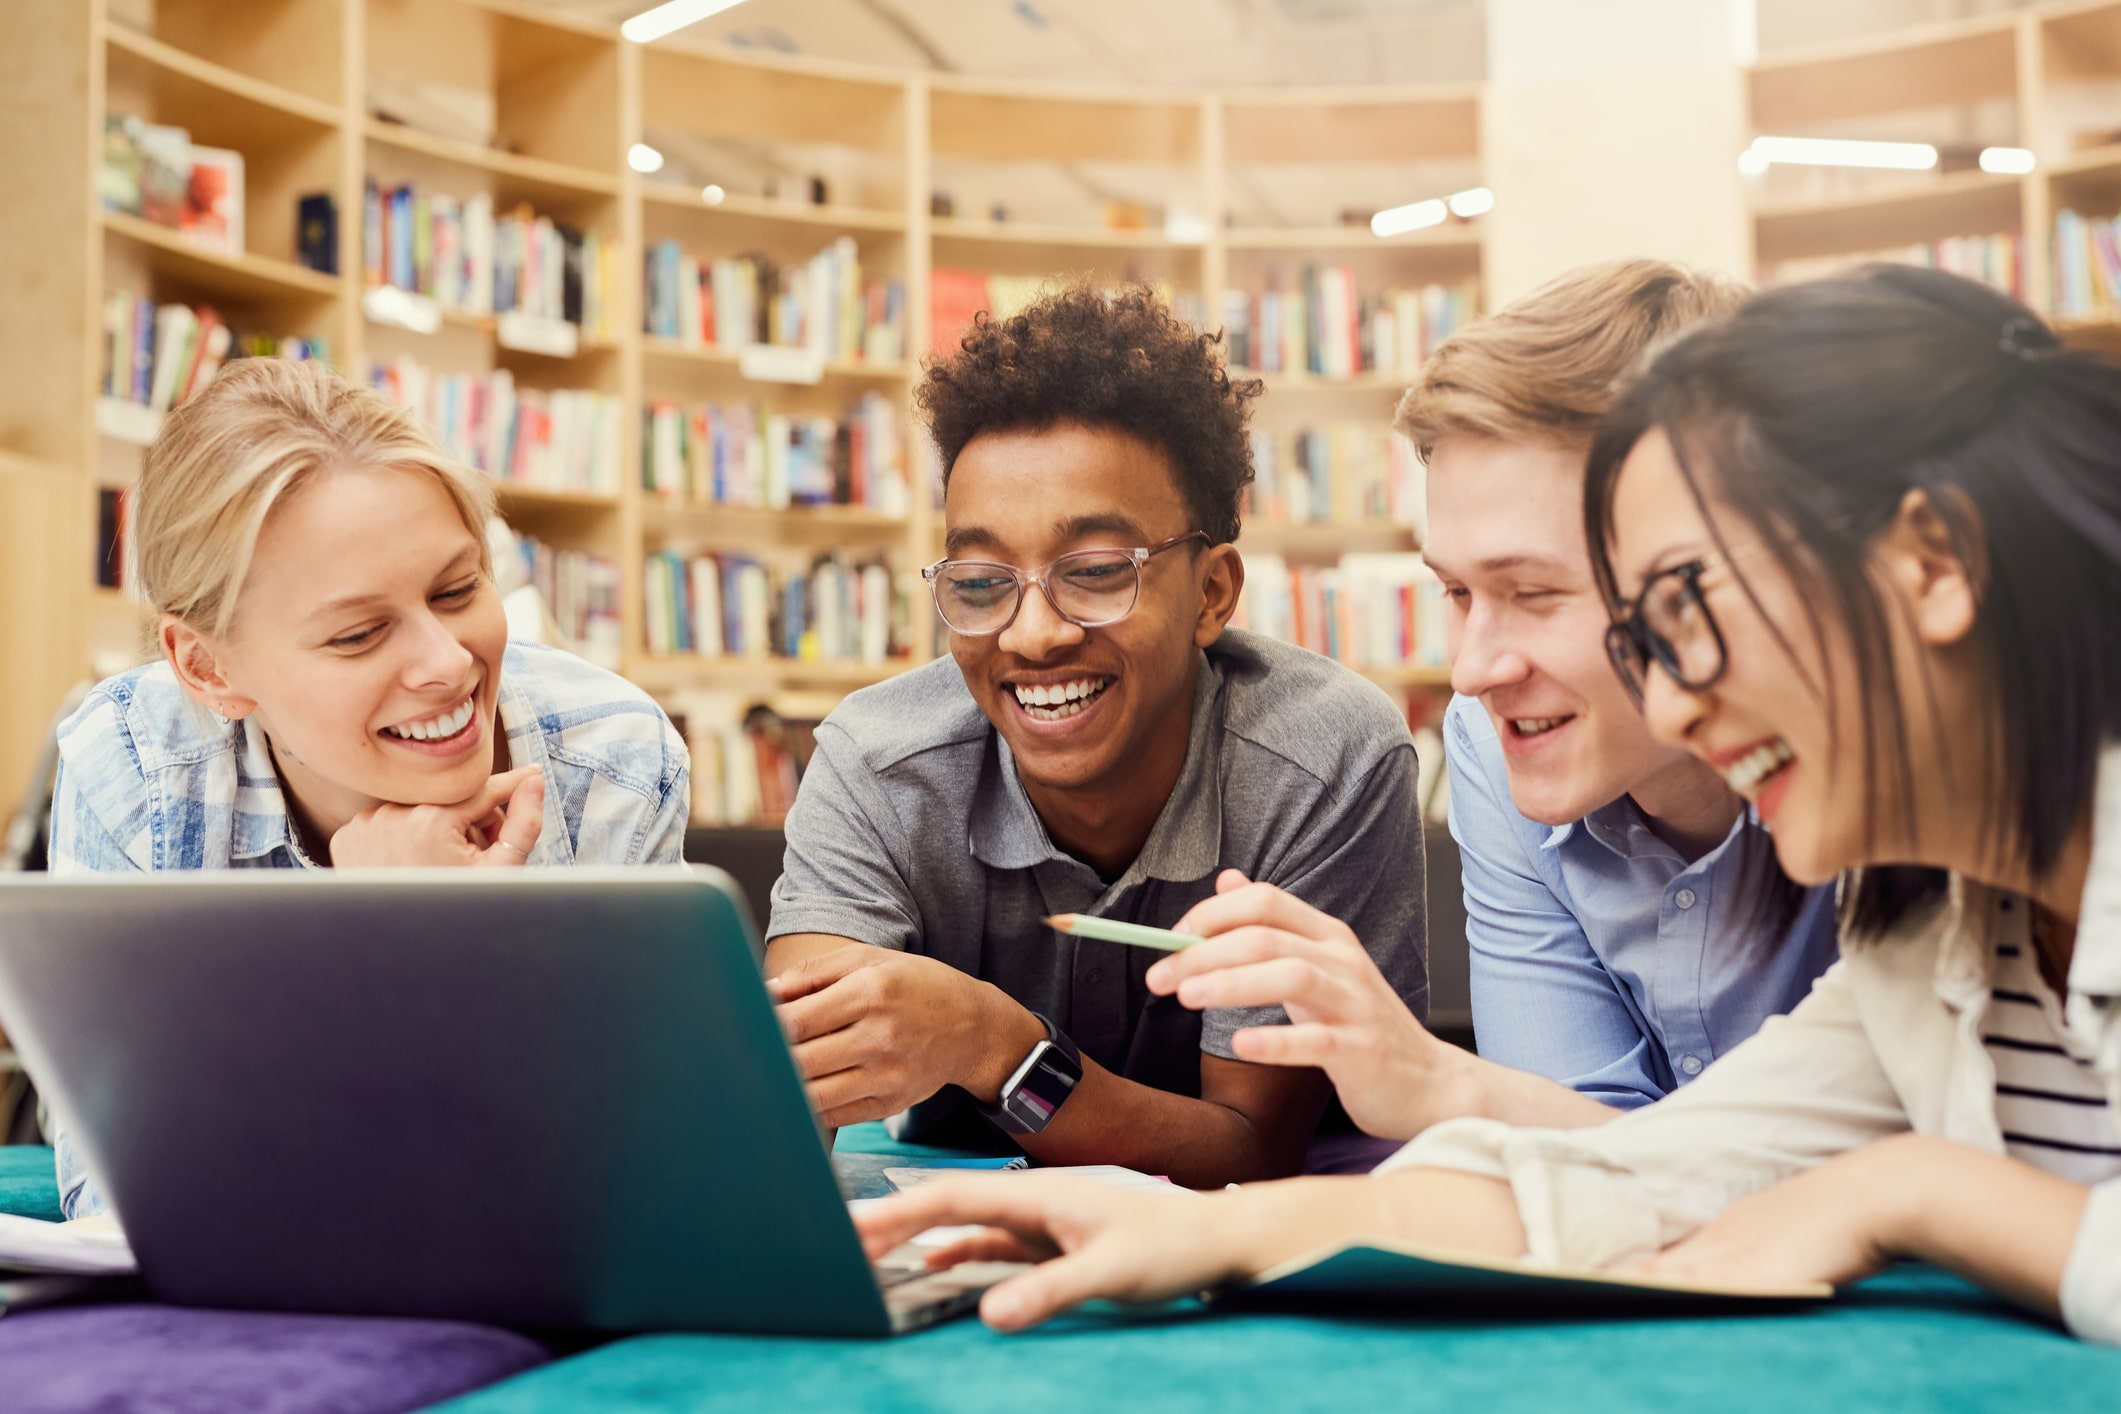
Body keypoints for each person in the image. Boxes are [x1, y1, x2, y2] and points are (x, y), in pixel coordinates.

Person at [852, 267, 2121, 1347]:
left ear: (1932, 565)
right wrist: (1198, 1229)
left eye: (1689, 608)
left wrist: (1919, 1192)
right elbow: (1640, 1176)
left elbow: (1824, 1184)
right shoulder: (1927, 935)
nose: (1676, 701)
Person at [1135, 261, 1837, 1149]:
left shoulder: (1886, 777)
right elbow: (1584, 1153)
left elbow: (1906, 1172)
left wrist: (1439, 1084)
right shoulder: (1490, 740)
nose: (1469, 673)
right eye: (1457, 593)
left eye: (1534, 593)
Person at [763, 283, 1428, 1189]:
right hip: (967, 1225)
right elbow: (784, 1116)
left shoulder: (1323, 762)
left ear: (1211, 594)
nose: (1033, 635)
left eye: (1096, 571)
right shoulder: (877, 762)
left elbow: (1247, 1153)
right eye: (981, 579)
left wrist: (990, 1042)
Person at [48, 358, 690, 1217]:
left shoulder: (612, 759)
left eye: (458, 589)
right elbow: (122, 1198)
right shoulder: (132, 768)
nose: (448, 662)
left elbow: (636, 1175)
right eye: (358, 634)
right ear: (207, 668)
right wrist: (375, 950)